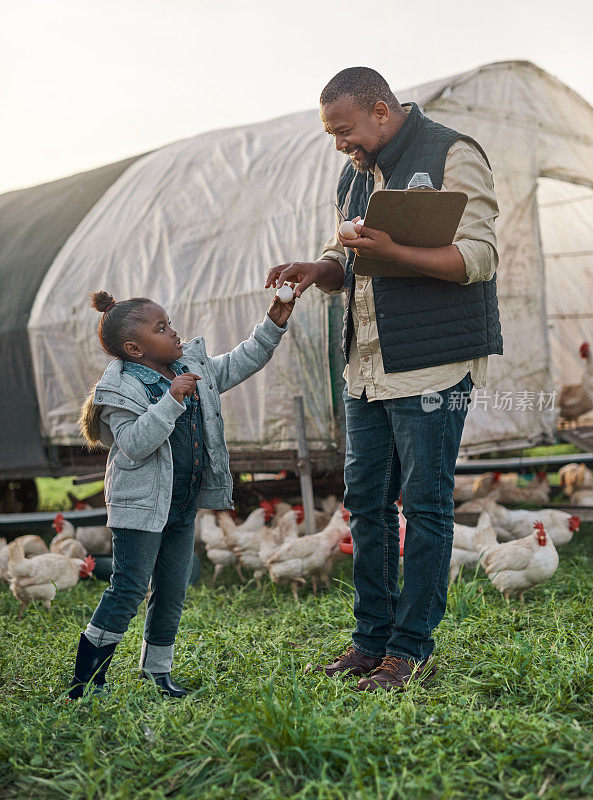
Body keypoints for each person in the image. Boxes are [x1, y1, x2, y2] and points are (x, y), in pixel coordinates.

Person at [266, 66, 502, 693]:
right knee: (366, 504)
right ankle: (370, 640)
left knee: (424, 506)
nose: (340, 145)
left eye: (345, 131)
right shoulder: (353, 175)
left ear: (379, 109)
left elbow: (479, 257)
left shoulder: (451, 153)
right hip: (365, 367)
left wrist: (397, 255)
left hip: (431, 364)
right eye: (332, 136)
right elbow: (347, 255)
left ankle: (411, 647)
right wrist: (319, 268)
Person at [68, 289, 293, 698]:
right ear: (135, 349)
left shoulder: (189, 365)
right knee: (130, 587)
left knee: (172, 588)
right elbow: (135, 445)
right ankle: (86, 680)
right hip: (140, 506)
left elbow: (241, 362)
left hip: (182, 501)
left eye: (169, 323)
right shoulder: (123, 391)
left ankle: (158, 673)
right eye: (162, 328)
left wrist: (273, 323)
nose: (175, 333)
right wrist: (171, 401)